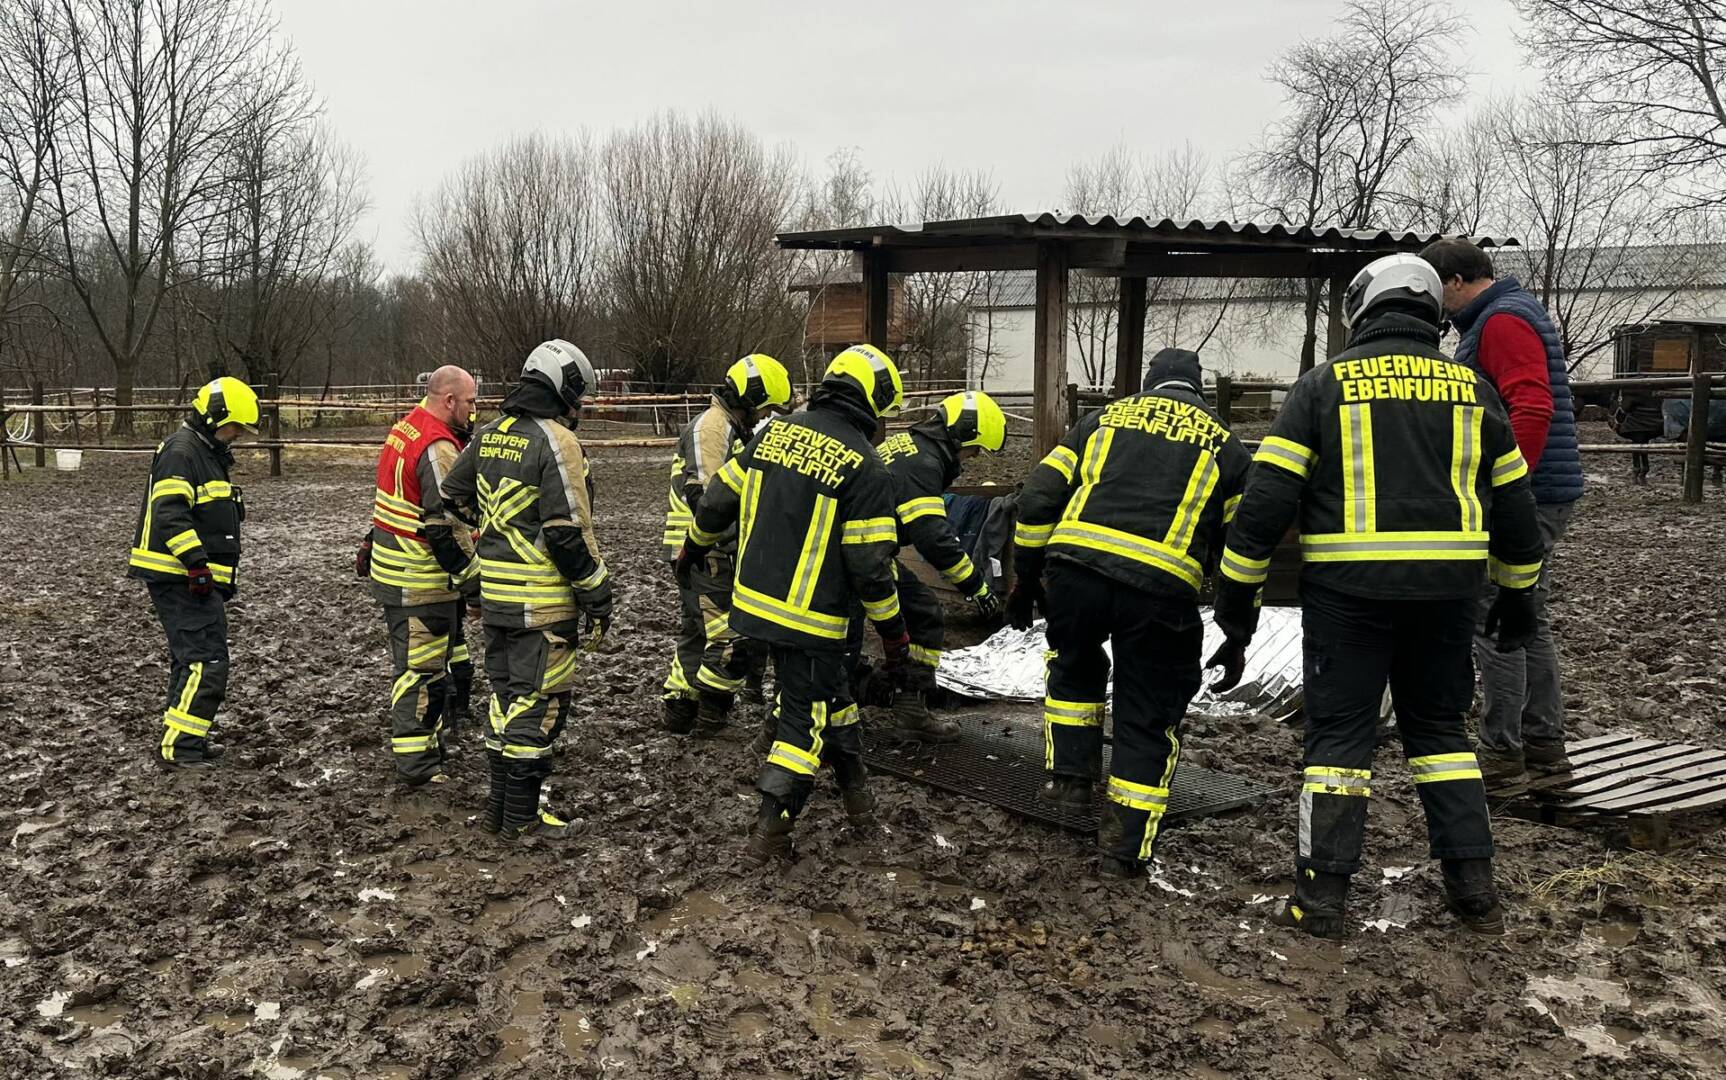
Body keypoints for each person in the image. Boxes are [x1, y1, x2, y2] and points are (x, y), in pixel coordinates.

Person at [1217, 254, 1545, 938]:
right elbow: (1515, 505)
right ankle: (1475, 894)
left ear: (1363, 311)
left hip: (1349, 597)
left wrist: (1237, 602)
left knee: (1340, 741)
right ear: (1429, 311)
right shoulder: (1474, 390)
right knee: (1441, 735)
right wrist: (1519, 594)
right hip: (1448, 596)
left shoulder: (1321, 387)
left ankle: (1321, 901)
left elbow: (1265, 505)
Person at [1005, 349, 1251, 878]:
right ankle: (1123, 848)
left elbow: (1038, 496)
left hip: (1076, 573)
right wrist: (1236, 631)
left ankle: (1070, 784)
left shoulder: (1101, 420)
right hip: (1160, 590)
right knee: (1148, 708)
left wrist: (1026, 577)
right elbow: (1243, 546)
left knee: (1074, 667)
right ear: (1199, 390)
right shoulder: (1226, 446)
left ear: (1149, 383)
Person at [677, 344, 911, 864]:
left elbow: (716, 501)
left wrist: (692, 548)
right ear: (872, 402)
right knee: (802, 724)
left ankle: (859, 802)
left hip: (752, 607)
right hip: (813, 622)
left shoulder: (774, 435)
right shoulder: (866, 466)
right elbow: (871, 569)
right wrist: (895, 635)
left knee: (833, 698)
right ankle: (770, 832)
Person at [1421, 238, 1585, 787]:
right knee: (1525, 614)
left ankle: (1501, 752)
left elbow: (1532, 407)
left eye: (1436, 289)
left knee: (1495, 617)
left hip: (1528, 495)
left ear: (1455, 281)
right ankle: (1543, 742)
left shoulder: (1500, 322)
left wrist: (1505, 489)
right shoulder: (1508, 314)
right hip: (1545, 490)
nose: (1436, 303)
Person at [440, 340, 614, 841]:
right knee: (539, 708)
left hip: (496, 598)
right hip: (542, 602)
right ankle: (522, 820)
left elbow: (452, 496)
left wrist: (497, 530)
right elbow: (566, 533)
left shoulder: (489, 434)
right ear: (564, 388)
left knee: (506, 701)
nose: (580, 406)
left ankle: (499, 812)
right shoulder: (557, 441)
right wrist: (598, 595)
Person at [659, 354, 793, 740]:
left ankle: (681, 707)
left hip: (700, 549)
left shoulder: (725, 427)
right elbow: (706, 496)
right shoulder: (712, 427)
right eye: (765, 408)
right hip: (705, 550)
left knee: (698, 633)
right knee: (730, 637)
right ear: (752, 398)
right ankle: (711, 717)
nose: (763, 417)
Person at [129, 376, 258, 770]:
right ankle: (179, 748)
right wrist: (197, 564)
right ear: (214, 416)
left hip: (187, 577)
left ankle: (186, 739)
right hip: (180, 577)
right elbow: (170, 513)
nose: (237, 435)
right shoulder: (183, 453)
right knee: (206, 661)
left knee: (192, 660)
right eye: (234, 427)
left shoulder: (202, 452)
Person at [366, 366, 480, 787]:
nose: (473, 411)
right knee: (421, 674)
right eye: (469, 402)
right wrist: (473, 585)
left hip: (393, 570)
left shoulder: (405, 429)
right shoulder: (438, 447)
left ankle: (428, 749)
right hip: (421, 580)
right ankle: (417, 765)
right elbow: (445, 527)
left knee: (420, 668)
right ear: (449, 400)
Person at [873, 390, 1007, 742]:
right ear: (962, 434)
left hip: (862, 549)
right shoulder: (924, 463)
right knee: (921, 613)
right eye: (974, 449)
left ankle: (902, 704)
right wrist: (977, 587)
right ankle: (904, 710)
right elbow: (933, 537)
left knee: (919, 612)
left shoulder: (911, 446)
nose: (972, 458)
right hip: (862, 555)